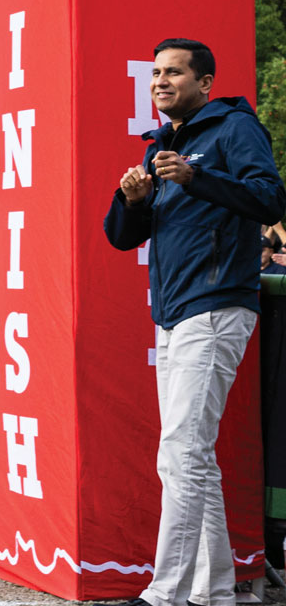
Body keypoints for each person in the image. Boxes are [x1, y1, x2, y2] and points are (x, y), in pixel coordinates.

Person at [104, 38, 284, 606]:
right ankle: (216, 593)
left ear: (204, 82)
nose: (160, 81)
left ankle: (165, 594)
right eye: (155, 72)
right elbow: (120, 237)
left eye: (174, 72)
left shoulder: (233, 128)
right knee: (191, 455)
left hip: (218, 304)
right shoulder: (159, 145)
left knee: (181, 452)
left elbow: (270, 199)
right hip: (176, 314)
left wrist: (194, 177)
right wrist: (132, 200)